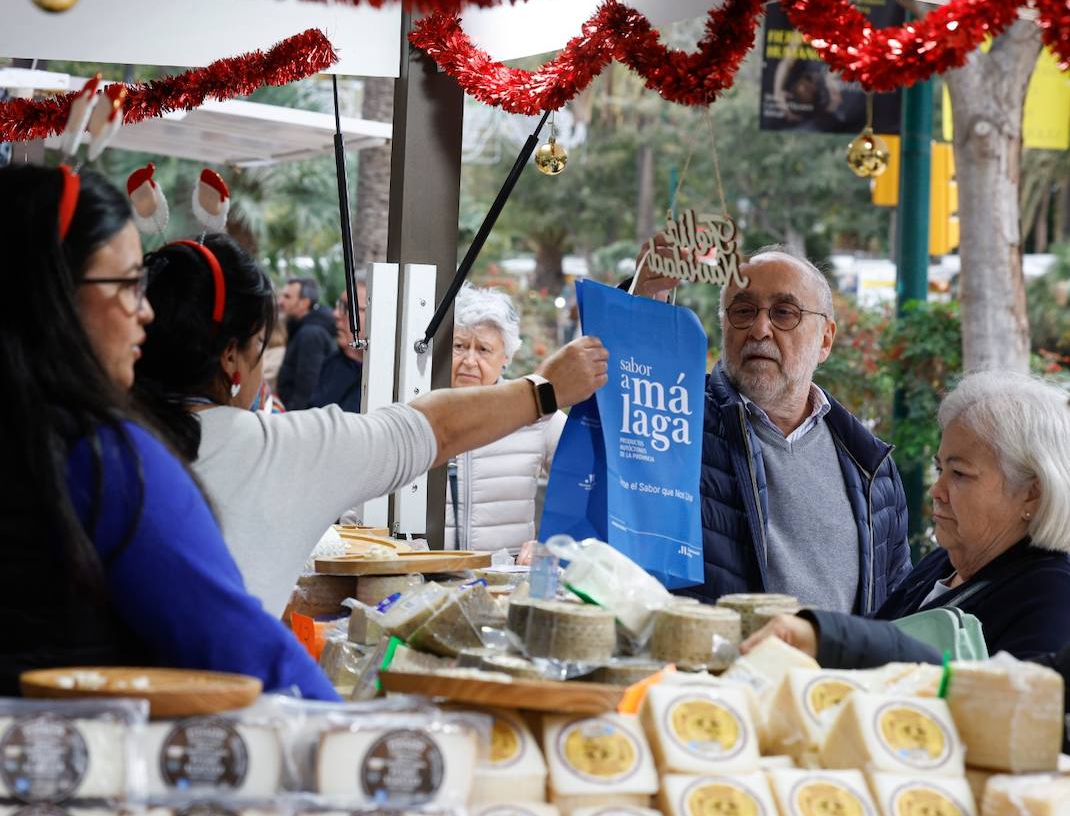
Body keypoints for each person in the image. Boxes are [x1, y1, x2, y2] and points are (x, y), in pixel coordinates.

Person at [0, 165, 334, 700]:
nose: (144, 311)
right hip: (53, 773)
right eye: (128, 285)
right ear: (51, 292)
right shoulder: (103, 461)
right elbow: (243, 653)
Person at [134, 234, 608, 617]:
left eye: (484, 350)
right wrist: (544, 390)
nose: (469, 359)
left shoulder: (86, 439)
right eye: (261, 342)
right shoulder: (278, 447)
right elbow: (434, 430)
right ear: (232, 357)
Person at [634, 241, 908, 615]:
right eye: (743, 311)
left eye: (784, 312)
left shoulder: (873, 470)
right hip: (706, 671)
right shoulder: (674, 419)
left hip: (832, 675)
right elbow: (622, 402)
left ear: (825, 339)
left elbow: (895, 610)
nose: (760, 329)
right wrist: (642, 300)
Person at [745, 371, 1070, 665]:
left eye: (959, 474)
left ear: (1032, 493)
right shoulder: (944, 564)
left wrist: (826, 638)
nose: (936, 490)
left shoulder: (1052, 594)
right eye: (940, 469)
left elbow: (1011, 710)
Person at [444, 284, 565, 554]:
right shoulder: (424, 407)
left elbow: (583, 481)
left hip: (505, 578)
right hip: (426, 578)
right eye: (459, 346)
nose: (470, 360)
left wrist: (549, 541)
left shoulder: (535, 411)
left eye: (484, 349)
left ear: (506, 358)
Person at [275, 275, 336, 409]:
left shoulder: (311, 335)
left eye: (287, 297)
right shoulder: (302, 329)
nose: (280, 301)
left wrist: (292, 420)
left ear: (304, 302)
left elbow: (306, 390)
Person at [308, 279, 367, 413]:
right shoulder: (332, 363)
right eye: (338, 305)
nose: (335, 314)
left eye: (348, 308)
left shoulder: (389, 378)